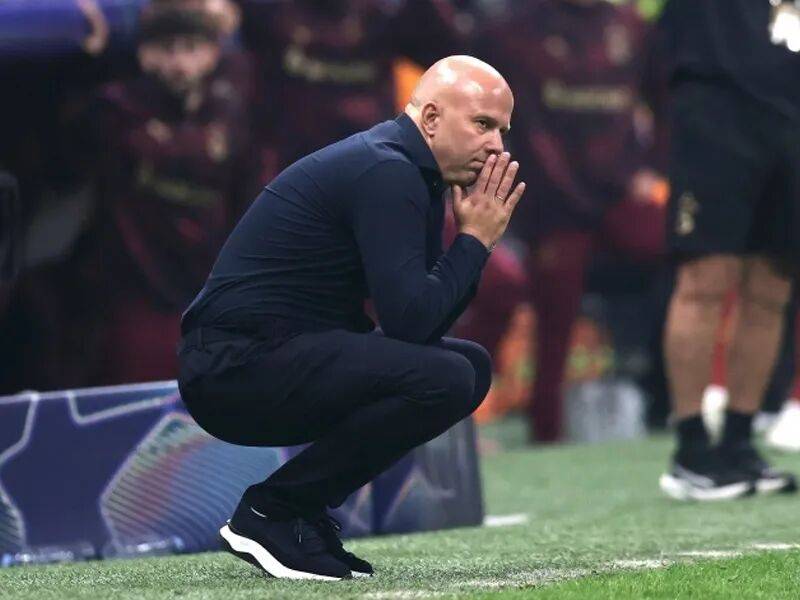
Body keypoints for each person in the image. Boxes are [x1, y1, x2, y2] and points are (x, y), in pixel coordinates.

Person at [177, 55, 525, 580]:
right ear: (432, 119)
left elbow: (424, 323)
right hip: (234, 367)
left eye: (502, 130)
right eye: (483, 124)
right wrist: (474, 242)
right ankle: (275, 511)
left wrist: (472, 242)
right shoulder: (388, 170)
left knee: (469, 367)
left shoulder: (412, 171)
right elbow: (411, 323)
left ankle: (297, 510)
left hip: (262, 356)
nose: (497, 145)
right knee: (449, 376)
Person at [474, 0, 668, 442]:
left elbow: (668, 97)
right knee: (552, 305)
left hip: (621, 194)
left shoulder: (630, 26)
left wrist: (654, 166)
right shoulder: (511, 31)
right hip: (548, 200)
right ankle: (545, 427)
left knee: (687, 256)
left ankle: (665, 398)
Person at [657, 0, 799, 500]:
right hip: (717, 105)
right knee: (705, 276)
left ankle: (740, 441)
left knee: (772, 287)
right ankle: (691, 448)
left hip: (791, 110)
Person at [90, 5, 268, 385]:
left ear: (212, 53)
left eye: (191, 48)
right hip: (141, 301)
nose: (179, 63)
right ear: (144, 54)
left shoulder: (235, 111)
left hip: (212, 298)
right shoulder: (116, 109)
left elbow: (250, 198)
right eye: (166, 49)